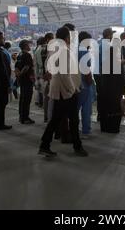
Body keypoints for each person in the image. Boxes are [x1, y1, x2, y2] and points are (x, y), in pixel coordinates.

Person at [39, 26, 88, 157]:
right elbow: (65, 74)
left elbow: (48, 67)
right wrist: (72, 90)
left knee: (56, 119)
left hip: (59, 90)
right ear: (67, 37)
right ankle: (77, 146)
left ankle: (44, 145)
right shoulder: (63, 50)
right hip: (65, 91)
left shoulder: (54, 49)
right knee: (73, 120)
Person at [99, 28, 125, 133]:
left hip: (105, 86)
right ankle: (113, 128)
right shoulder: (116, 65)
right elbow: (120, 79)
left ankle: (105, 127)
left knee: (105, 107)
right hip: (115, 91)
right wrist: (123, 91)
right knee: (114, 109)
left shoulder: (106, 62)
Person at [78, 31, 95, 138]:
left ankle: (73, 128)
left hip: (76, 84)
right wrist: (90, 82)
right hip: (84, 84)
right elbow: (86, 70)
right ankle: (85, 130)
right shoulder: (84, 52)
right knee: (86, 109)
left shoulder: (74, 50)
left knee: (75, 108)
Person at [16, 39, 35, 125]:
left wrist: (19, 75)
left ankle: (21, 116)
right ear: (25, 46)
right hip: (27, 80)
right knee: (27, 99)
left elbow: (16, 67)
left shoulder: (19, 55)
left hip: (22, 80)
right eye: (28, 45)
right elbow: (27, 67)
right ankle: (25, 118)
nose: (29, 46)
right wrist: (22, 74)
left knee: (22, 99)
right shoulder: (27, 55)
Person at [42, 33, 54, 122]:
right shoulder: (48, 48)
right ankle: (48, 117)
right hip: (48, 76)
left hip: (46, 75)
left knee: (47, 98)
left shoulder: (46, 48)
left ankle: (46, 116)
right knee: (49, 99)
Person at [34, 37, 46, 108]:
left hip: (39, 71)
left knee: (40, 90)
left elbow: (35, 64)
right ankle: (42, 104)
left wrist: (36, 75)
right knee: (44, 91)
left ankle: (40, 103)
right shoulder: (44, 49)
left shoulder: (36, 50)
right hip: (44, 71)